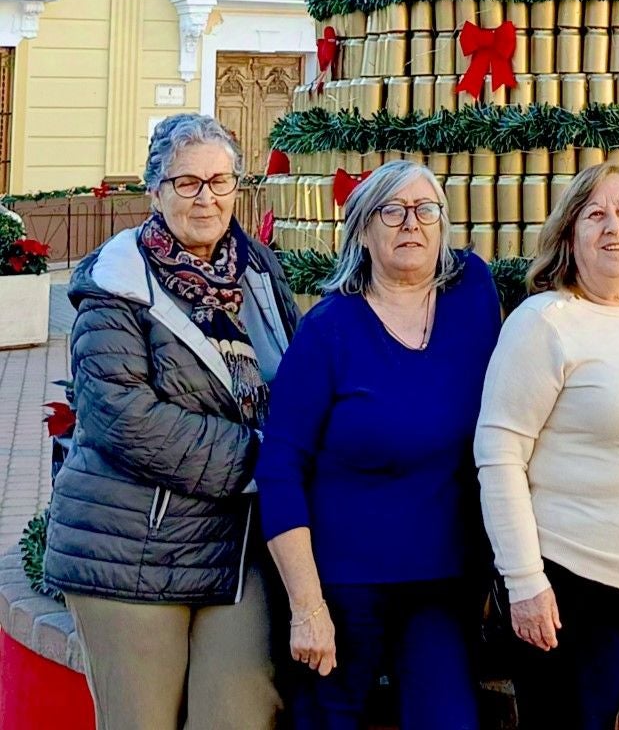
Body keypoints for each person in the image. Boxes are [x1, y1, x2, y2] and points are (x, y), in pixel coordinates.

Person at [44, 113, 299, 730]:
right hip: (133, 540)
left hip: (235, 543)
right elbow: (122, 418)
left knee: (240, 714)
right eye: (187, 182)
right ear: (155, 189)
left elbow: (294, 377)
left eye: (220, 180)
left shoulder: (258, 271)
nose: (206, 197)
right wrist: (262, 458)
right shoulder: (118, 281)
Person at [256, 160, 501, 730]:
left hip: (442, 580)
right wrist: (307, 607)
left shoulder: (473, 292)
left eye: (425, 210)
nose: (410, 224)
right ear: (363, 230)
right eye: (392, 212)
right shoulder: (329, 329)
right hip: (342, 586)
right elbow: (280, 468)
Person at [474, 163, 619, 730]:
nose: (614, 226)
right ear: (570, 235)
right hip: (573, 588)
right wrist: (524, 581)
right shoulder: (545, 324)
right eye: (595, 214)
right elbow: (500, 455)